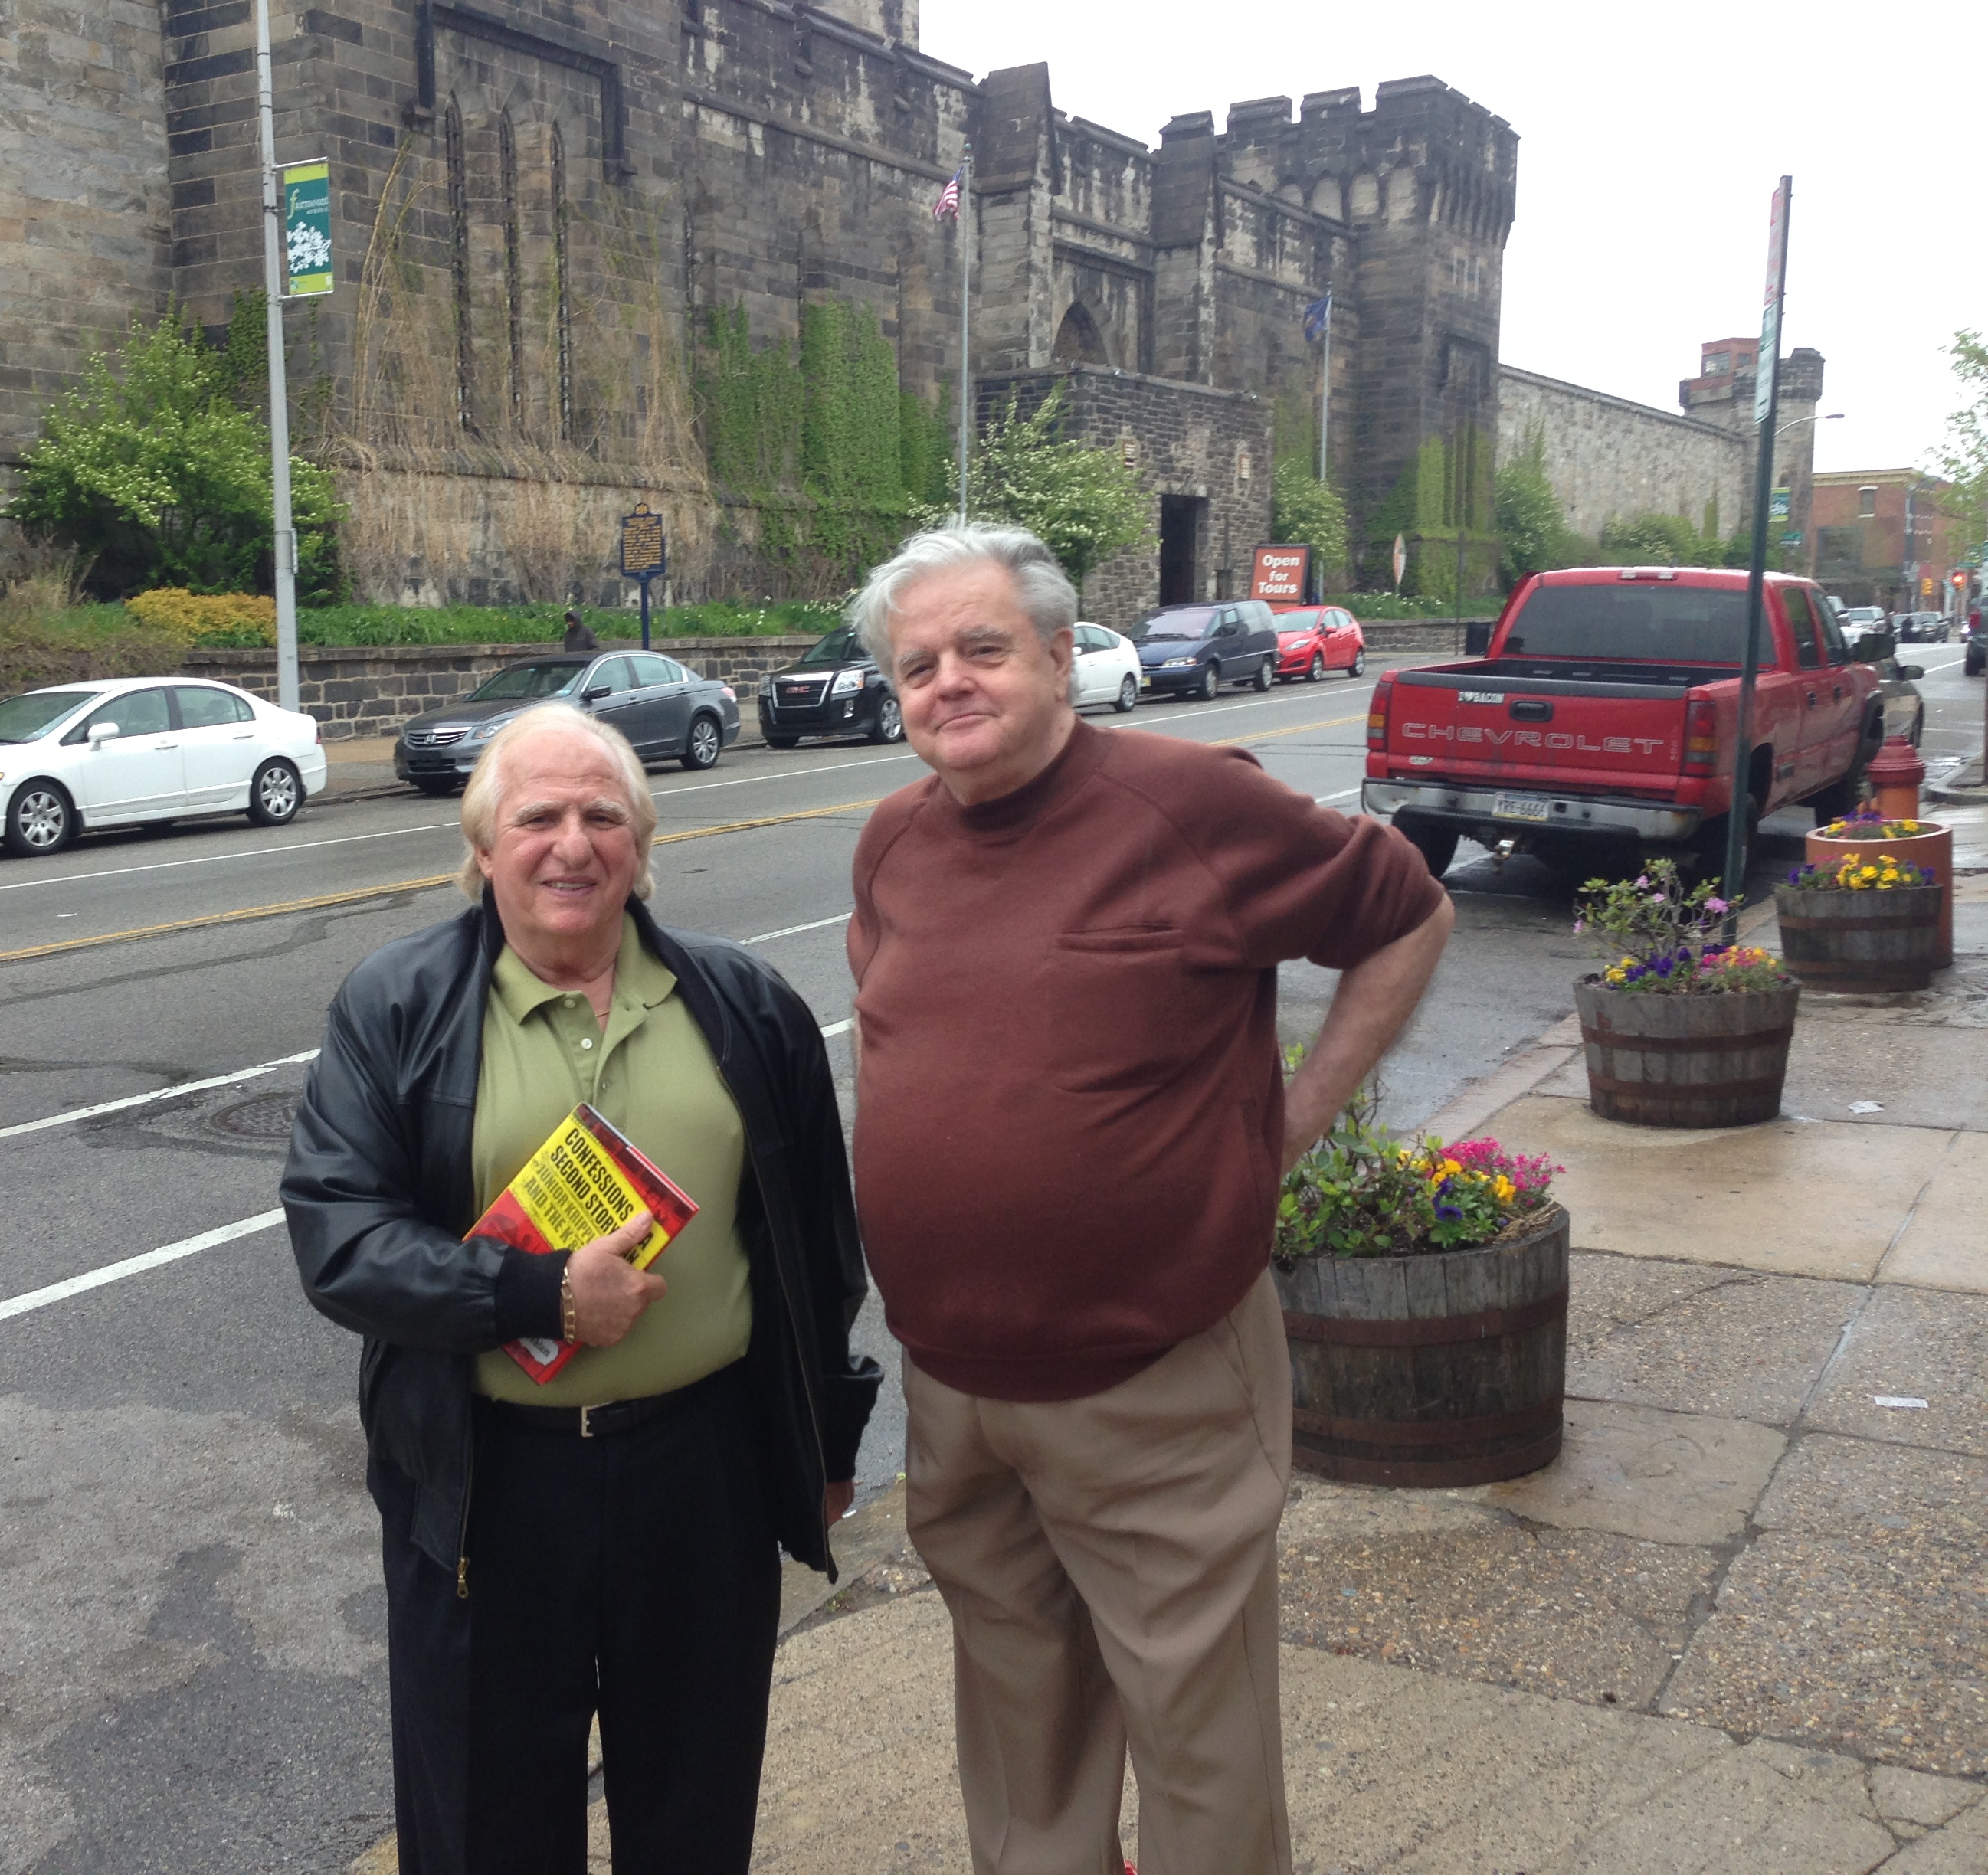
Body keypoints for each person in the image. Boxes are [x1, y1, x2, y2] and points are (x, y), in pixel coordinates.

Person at [843, 526, 1453, 1875]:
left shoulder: (1191, 806)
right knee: (1025, 1733)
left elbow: (1407, 914)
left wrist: (1292, 1125)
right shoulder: (892, 844)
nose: (948, 683)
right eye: (918, 666)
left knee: (1200, 1740)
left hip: (1158, 1385)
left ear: (1063, 655)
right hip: (958, 1391)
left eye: (983, 649)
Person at [282, 702, 879, 1875]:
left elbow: (818, 1251)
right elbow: (339, 1236)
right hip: (491, 1484)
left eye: (603, 816)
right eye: (537, 818)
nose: (572, 844)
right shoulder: (397, 1006)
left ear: (642, 846)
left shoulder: (747, 1006)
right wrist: (536, 1297)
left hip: (701, 1475)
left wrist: (829, 1441)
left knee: (695, 1813)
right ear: (483, 848)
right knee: (488, 1826)